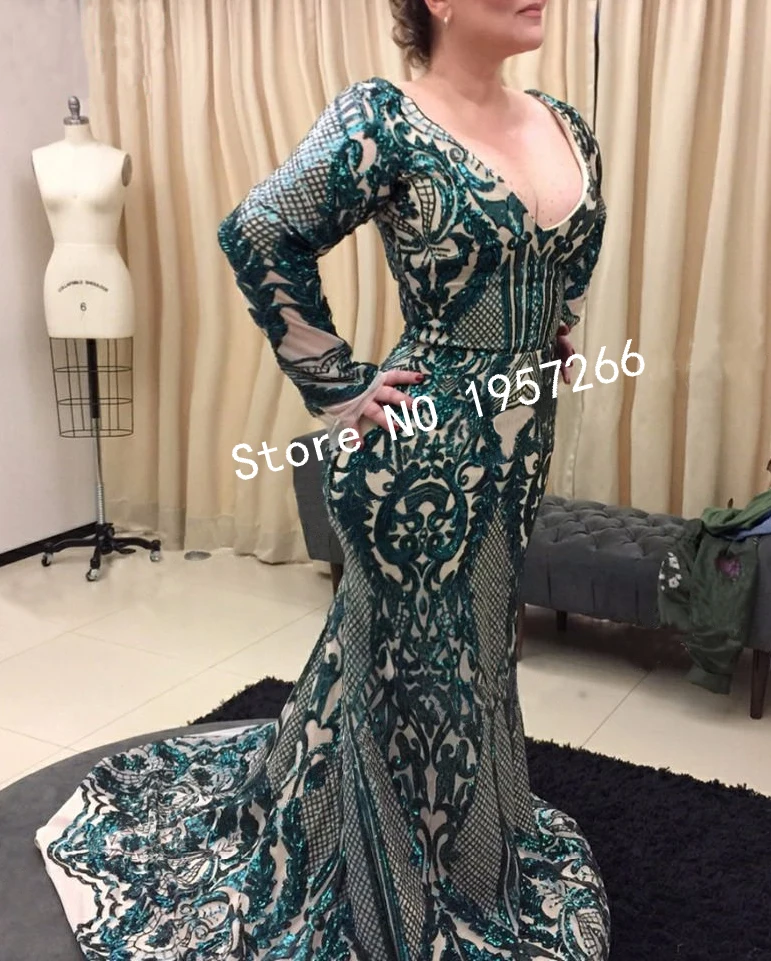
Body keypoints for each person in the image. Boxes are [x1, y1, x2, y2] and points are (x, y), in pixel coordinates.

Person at [35, 1, 608, 958]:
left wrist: (548, 331)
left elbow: (565, 262)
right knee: (417, 667)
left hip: (519, 437)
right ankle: (398, 882)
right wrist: (338, 384)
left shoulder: (563, 123)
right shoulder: (380, 119)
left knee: (476, 649)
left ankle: (472, 843)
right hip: (416, 449)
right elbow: (259, 231)